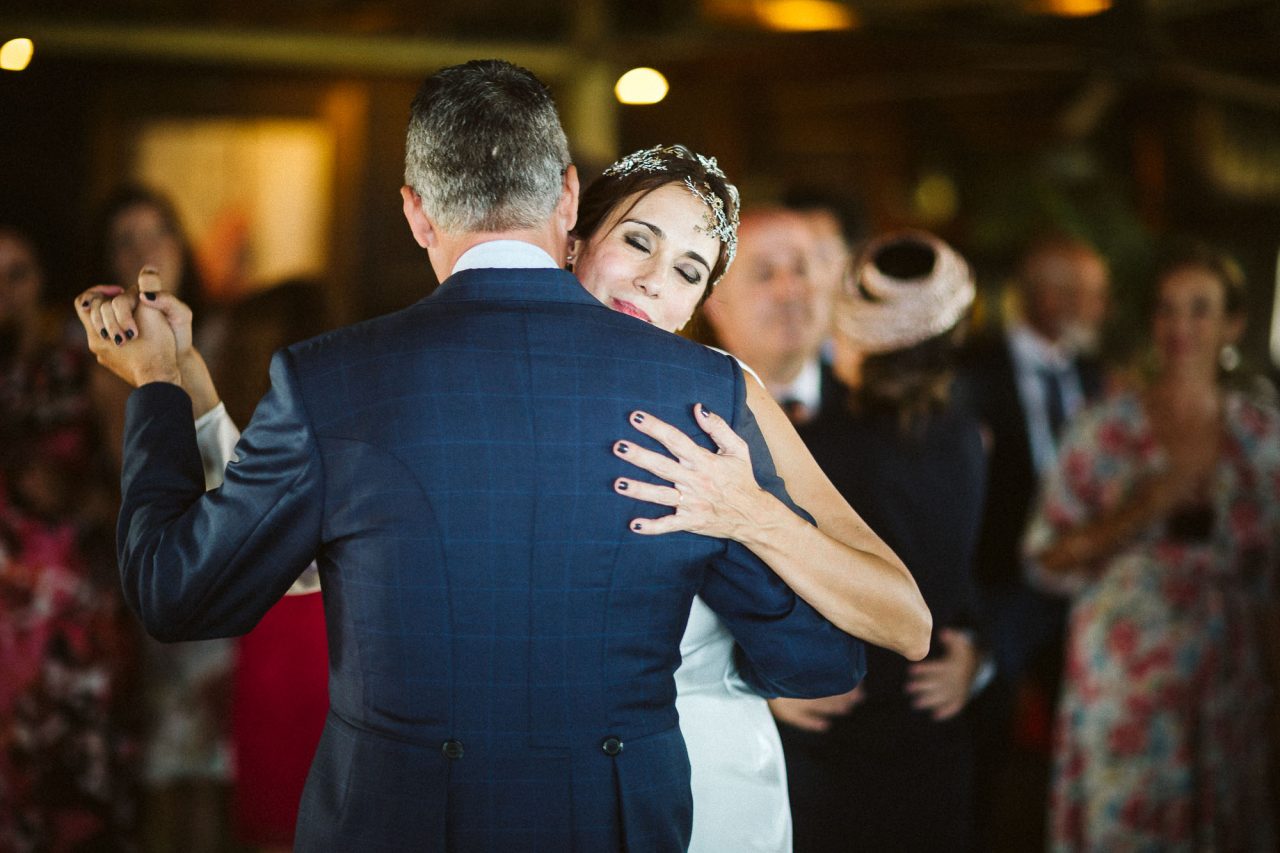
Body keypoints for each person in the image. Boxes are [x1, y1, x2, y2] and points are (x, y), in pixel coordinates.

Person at [74, 60, 870, 851]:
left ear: (417, 213)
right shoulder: (699, 393)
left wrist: (155, 386)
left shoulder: (330, 382)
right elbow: (818, 657)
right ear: (566, 197)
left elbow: (176, 593)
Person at [1024, 243, 1279, 851]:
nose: (1181, 326)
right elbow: (1043, 556)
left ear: (1233, 324)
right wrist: (1144, 506)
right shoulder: (1104, 425)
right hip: (1123, 671)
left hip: (1229, 673)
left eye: (1200, 309)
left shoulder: (1263, 436)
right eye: (1167, 310)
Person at [760, 231, 990, 852]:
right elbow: (968, 574)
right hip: (932, 729)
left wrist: (765, 681)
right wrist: (975, 648)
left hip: (835, 735)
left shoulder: (815, 446)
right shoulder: (967, 438)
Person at [91, 184, 235, 853]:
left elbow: (237, 466)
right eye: (127, 239)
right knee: (153, 770)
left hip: (223, 559)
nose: (146, 250)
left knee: (216, 769)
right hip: (134, 566)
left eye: (158, 234)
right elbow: (118, 472)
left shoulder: (230, 338)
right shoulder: (94, 355)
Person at [959, 234, 1109, 849]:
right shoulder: (972, 369)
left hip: (1086, 581)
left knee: (1083, 732)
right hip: (999, 582)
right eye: (1089, 295)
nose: (1100, 308)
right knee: (988, 732)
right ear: (1048, 296)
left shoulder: (1095, 373)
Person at [0, 226, 139, 851]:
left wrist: (82, 493)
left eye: (17, 273)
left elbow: (132, 480)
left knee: (71, 786)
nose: (2, 291)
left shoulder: (80, 365)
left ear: (42, 281)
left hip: (67, 602)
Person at [701, 208, 837, 424]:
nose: (789, 290)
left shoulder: (872, 408)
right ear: (715, 302)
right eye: (764, 275)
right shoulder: (693, 411)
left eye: (801, 269)